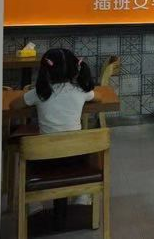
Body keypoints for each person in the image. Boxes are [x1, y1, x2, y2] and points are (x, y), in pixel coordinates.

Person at [9, 48, 97, 221]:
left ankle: (34, 204)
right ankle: (82, 196)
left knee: (26, 156)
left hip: (44, 161)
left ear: (45, 70)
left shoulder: (39, 93)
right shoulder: (81, 91)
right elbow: (98, 96)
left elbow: (14, 105)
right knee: (80, 151)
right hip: (76, 160)